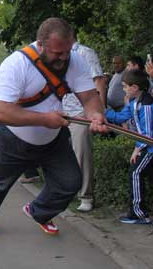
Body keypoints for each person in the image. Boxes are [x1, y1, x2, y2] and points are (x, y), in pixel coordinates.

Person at [0, 17, 108, 238]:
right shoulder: (16, 64)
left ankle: (38, 212)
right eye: (57, 53)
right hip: (12, 138)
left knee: (70, 183)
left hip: (52, 138)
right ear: (40, 44)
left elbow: (90, 97)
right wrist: (44, 119)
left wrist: (97, 115)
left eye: (67, 52)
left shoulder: (75, 61)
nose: (63, 58)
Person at [105, 69, 153, 224]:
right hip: (147, 147)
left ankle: (138, 214)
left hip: (152, 148)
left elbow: (148, 134)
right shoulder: (135, 103)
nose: (123, 89)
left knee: (135, 173)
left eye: (124, 86)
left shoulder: (147, 105)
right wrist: (103, 113)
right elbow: (120, 116)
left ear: (134, 88)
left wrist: (137, 148)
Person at [62, 37, 107, 212]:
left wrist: (100, 112)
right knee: (63, 153)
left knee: (81, 153)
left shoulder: (84, 53)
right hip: (62, 110)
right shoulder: (54, 54)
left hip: (81, 111)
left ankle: (86, 196)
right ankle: (67, 190)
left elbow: (99, 81)